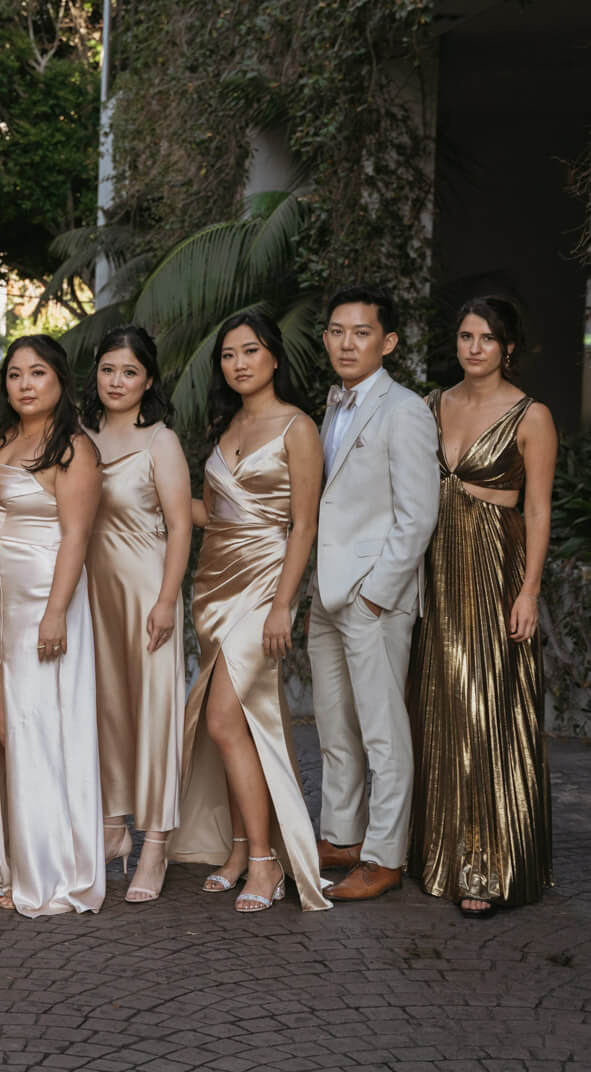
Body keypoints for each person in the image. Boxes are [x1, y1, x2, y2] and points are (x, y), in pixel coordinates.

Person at [170, 312, 329, 913]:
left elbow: (304, 525)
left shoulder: (298, 427)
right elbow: (214, 514)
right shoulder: (227, 425)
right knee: (234, 726)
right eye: (228, 355)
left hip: (265, 587)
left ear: (274, 357)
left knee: (221, 720)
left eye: (250, 351)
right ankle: (239, 850)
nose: (239, 363)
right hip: (214, 586)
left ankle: (267, 861)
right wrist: (149, 494)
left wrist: (284, 604)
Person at [408, 297, 556, 918]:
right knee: (436, 704)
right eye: (466, 336)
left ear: (508, 347)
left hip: (496, 569)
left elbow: (539, 509)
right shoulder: (429, 406)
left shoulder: (532, 415)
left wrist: (529, 591)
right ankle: (435, 851)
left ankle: (487, 865)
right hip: (435, 568)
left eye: (487, 338)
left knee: (486, 706)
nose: (474, 348)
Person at [308, 285, 439, 903]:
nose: (347, 343)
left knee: (383, 732)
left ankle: (385, 855)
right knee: (334, 725)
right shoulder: (332, 406)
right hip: (325, 593)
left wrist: (376, 594)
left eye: (361, 333)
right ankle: (342, 836)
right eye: (337, 331)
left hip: (372, 597)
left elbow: (418, 515)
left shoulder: (404, 409)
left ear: (387, 343)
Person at [0, 334, 104, 917]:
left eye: (37, 373)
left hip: (39, 601)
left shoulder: (74, 447)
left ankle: (50, 869)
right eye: (14, 374)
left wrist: (56, 611)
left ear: (59, 380)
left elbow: (76, 536)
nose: (24, 384)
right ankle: (9, 859)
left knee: (32, 728)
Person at [80, 325, 190, 904]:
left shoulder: (160, 441)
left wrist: (168, 599)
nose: (116, 381)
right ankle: (113, 828)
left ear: (148, 381)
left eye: (129, 372)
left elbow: (181, 525)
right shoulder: (78, 435)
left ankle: (156, 844)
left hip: (147, 587)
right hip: (92, 590)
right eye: (108, 369)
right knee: (105, 708)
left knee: (154, 710)